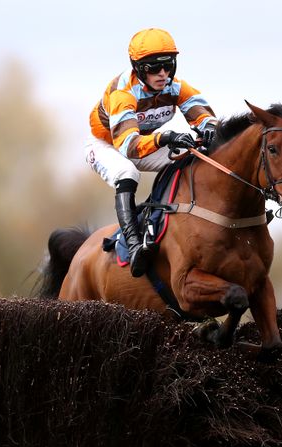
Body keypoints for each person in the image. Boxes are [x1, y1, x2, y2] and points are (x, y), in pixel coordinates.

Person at [85, 28, 218, 277]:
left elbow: (202, 113)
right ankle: (134, 245)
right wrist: (166, 137)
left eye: (168, 66)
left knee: (193, 154)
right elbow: (129, 146)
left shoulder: (174, 86)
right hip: (108, 145)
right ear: (137, 68)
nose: (162, 74)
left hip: (142, 141)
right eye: (153, 68)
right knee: (128, 173)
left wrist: (209, 127)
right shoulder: (122, 93)